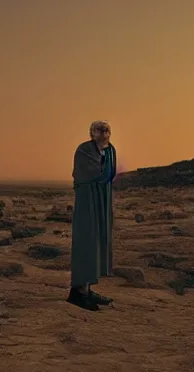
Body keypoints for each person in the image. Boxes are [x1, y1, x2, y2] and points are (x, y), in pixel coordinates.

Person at [67, 120, 116, 311]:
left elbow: (109, 173)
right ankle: (77, 292)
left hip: (102, 199)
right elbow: (87, 173)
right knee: (86, 241)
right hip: (88, 199)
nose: (104, 133)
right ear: (91, 133)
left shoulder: (110, 150)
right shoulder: (84, 150)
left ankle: (87, 289)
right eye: (99, 130)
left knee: (97, 242)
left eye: (107, 130)